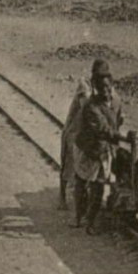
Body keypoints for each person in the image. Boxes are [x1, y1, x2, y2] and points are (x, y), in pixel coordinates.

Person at [73, 62, 126, 234]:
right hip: (88, 149)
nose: (105, 90)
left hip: (103, 150)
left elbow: (117, 121)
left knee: (98, 187)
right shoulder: (91, 106)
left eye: (108, 87)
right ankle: (79, 216)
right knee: (81, 182)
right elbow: (103, 128)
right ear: (95, 87)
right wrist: (123, 137)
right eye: (102, 87)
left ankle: (90, 222)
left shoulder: (114, 101)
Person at [58, 63, 100, 210]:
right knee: (69, 165)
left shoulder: (100, 88)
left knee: (84, 166)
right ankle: (62, 197)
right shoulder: (84, 85)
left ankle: (84, 200)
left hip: (85, 133)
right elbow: (86, 107)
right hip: (73, 132)